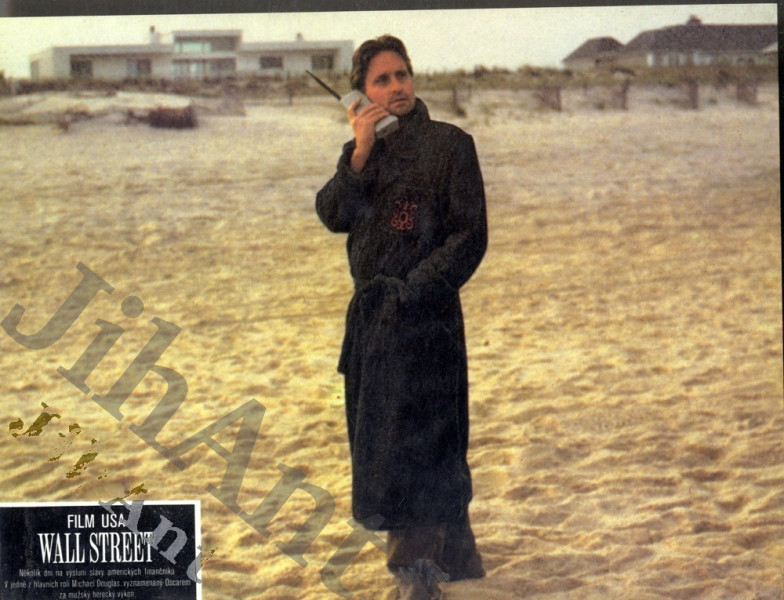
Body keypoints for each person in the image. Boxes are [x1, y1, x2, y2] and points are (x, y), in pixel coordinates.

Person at [315, 35, 487, 600]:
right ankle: (457, 557)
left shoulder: (450, 146)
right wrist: (359, 153)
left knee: (426, 443)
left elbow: (469, 236)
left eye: (402, 75)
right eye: (382, 80)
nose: (396, 88)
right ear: (361, 95)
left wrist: (416, 292)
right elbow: (332, 214)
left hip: (427, 318)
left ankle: (415, 575)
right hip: (373, 323)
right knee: (391, 445)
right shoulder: (364, 153)